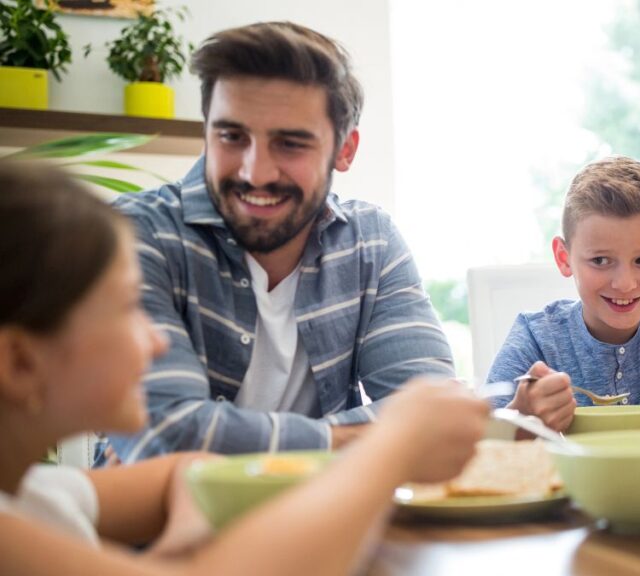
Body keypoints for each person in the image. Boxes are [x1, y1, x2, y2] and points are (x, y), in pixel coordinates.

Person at [0, 162, 490, 575]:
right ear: (20, 363)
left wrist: (186, 536)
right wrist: (391, 445)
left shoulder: (37, 495)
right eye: (129, 308)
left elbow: (186, 466)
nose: (157, 339)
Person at [108, 22, 455, 463]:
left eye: (290, 144)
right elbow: (163, 436)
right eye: (232, 137)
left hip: (327, 520)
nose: (256, 172)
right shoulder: (134, 235)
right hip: (154, 530)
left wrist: (222, 438)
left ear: (345, 150)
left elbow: (431, 409)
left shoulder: (372, 244)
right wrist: (360, 439)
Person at [487, 156, 640, 431]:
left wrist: (597, 428)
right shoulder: (536, 334)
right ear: (564, 257)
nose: (624, 284)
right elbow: (482, 438)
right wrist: (522, 417)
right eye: (600, 261)